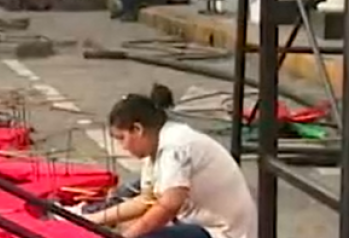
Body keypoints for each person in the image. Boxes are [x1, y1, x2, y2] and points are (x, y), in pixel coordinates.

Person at [85, 84, 257, 238]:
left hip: (224, 231)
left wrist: (129, 236)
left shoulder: (175, 147)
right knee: (133, 225)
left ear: (137, 129)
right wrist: (91, 220)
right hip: (201, 223)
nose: (123, 146)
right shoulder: (155, 145)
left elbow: (168, 206)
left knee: (141, 231)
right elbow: (146, 201)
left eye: (122, 138)